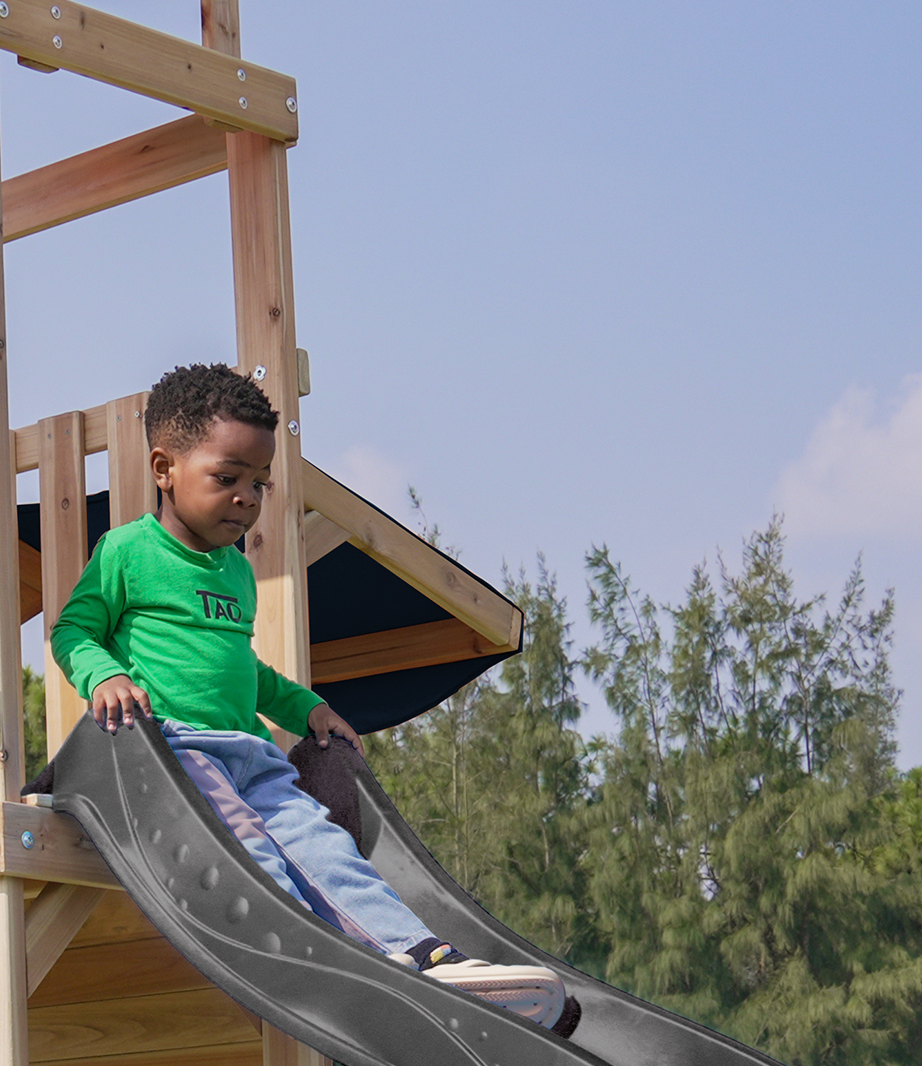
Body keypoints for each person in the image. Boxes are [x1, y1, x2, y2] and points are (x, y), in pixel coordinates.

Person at [53, 364, 568, 1016]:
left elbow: (251, 672)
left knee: (320, 840)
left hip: (252, 755)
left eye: (259, 484)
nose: (247, 497)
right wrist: (107, 675)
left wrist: (308, 708)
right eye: (227, 477)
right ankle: (296, 941)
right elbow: (73, 632)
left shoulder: (236, 571)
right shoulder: (129, 551)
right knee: (241, 834)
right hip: (171, 752)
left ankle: (415, 951)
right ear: (164, 469)